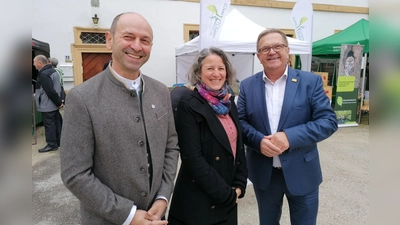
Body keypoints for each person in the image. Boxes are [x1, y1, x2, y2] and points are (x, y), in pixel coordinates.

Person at [60, 12, 179, 225]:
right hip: (108, 219)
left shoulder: (161, 91)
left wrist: (163, 196)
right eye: (128, 37)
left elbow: (170, 147)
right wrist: (129, 214)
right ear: (109, 40)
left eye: (145, 40)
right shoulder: (82, 98)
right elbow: (75, 174)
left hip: (156, 215)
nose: (137, 46)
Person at [237, 29, 338, 225]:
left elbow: (328, 121)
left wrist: (289, 136)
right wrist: (258, 141)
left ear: (287, 50)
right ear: (258, 56)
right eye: (265, 48)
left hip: (302, 172)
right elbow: (240, 122)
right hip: (264, 174)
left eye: (277, 46)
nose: (271, 52)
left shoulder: (310, 82)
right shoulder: (248, 86)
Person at [168, 47, 248, 225]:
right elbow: (192, 158)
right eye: (210, 68)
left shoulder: (228, 104)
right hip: (200, 200)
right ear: (199, 73)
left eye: (221, 68)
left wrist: (240, 184)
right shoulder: (188, 105)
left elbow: (238, 148)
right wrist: (227, 194)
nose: (216, 74)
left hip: (227, 196)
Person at [33, 55, 64, 153]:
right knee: (56, 122)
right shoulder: (52, 71)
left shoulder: (44, 73)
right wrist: (59, 101)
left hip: (48, 105)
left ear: (40, 63)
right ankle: (59, 141)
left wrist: (59, 102)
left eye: (34, 62)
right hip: (53, 104)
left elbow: (50, 91)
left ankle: (51, 144)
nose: (33, 64)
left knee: (49, 124)